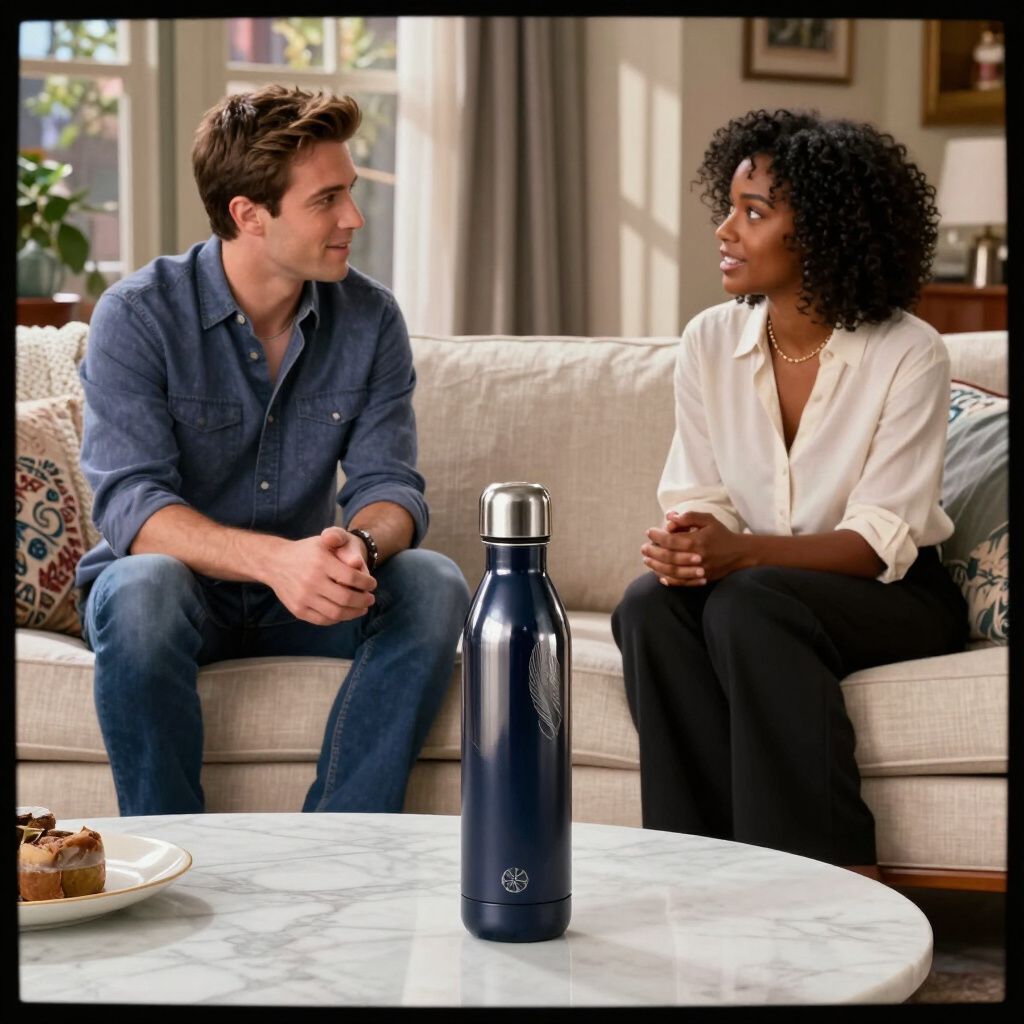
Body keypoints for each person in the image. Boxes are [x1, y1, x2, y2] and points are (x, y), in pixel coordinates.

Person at [75, 84, 471, 816]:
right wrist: (276, 561)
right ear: (248, 214)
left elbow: (391, 485)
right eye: (327, 200)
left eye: (349, 192)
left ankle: (338, 840)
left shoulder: (371, 317)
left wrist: (355, 547)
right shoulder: (136, 315)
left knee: (434, 582)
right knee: (141, 591)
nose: (354, 218)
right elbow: (133, 506)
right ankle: (172, 856)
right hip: (183, 595)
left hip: (308, 596)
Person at [611, 108, 968, 878]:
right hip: (759, 586)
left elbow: (879, 541)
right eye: (729, 207)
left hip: (892, 594)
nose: (725, 230)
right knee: (647, 605)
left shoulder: (909, 353)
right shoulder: (709, 340)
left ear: (824, 230)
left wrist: (737, 556)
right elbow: (703, 492)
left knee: (750, 603)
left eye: (754, 213)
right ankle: (697, 865)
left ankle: (829, 876)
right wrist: (691, 542)